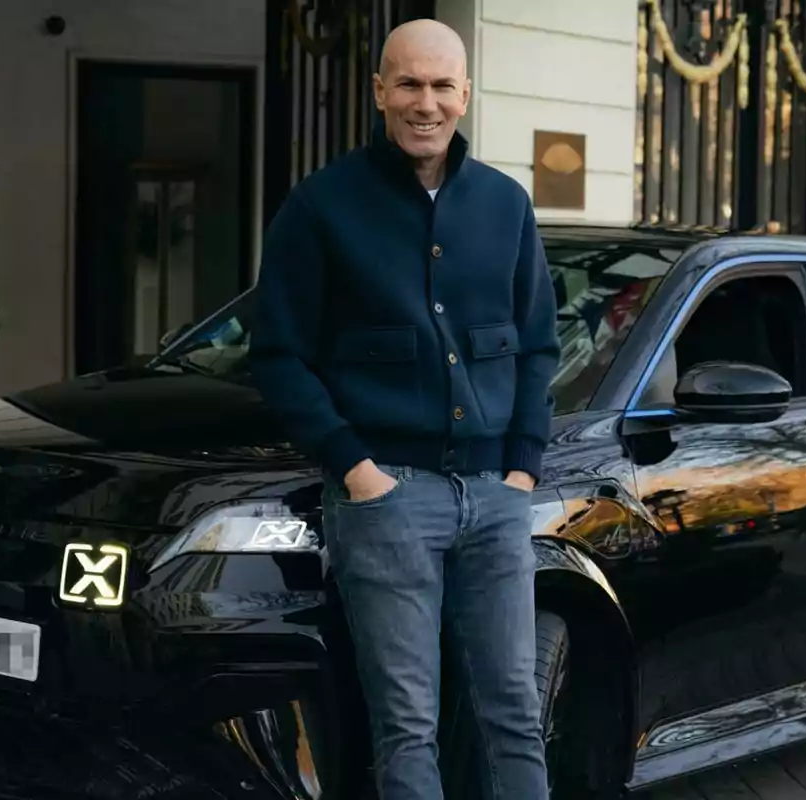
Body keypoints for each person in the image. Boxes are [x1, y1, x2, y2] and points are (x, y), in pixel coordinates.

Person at [248, 18, 559, 800]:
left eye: (442, 85)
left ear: (465, 95)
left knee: (515, 712)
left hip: (496, 498)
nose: (427, 103)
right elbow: (279, 354)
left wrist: (522, 467)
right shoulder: (321, 207)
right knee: (406, 724)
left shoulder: (506, 205)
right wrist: (356, 470)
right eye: (410, 84)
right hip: (386, 497)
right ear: (380, 90)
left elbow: (538, 344)